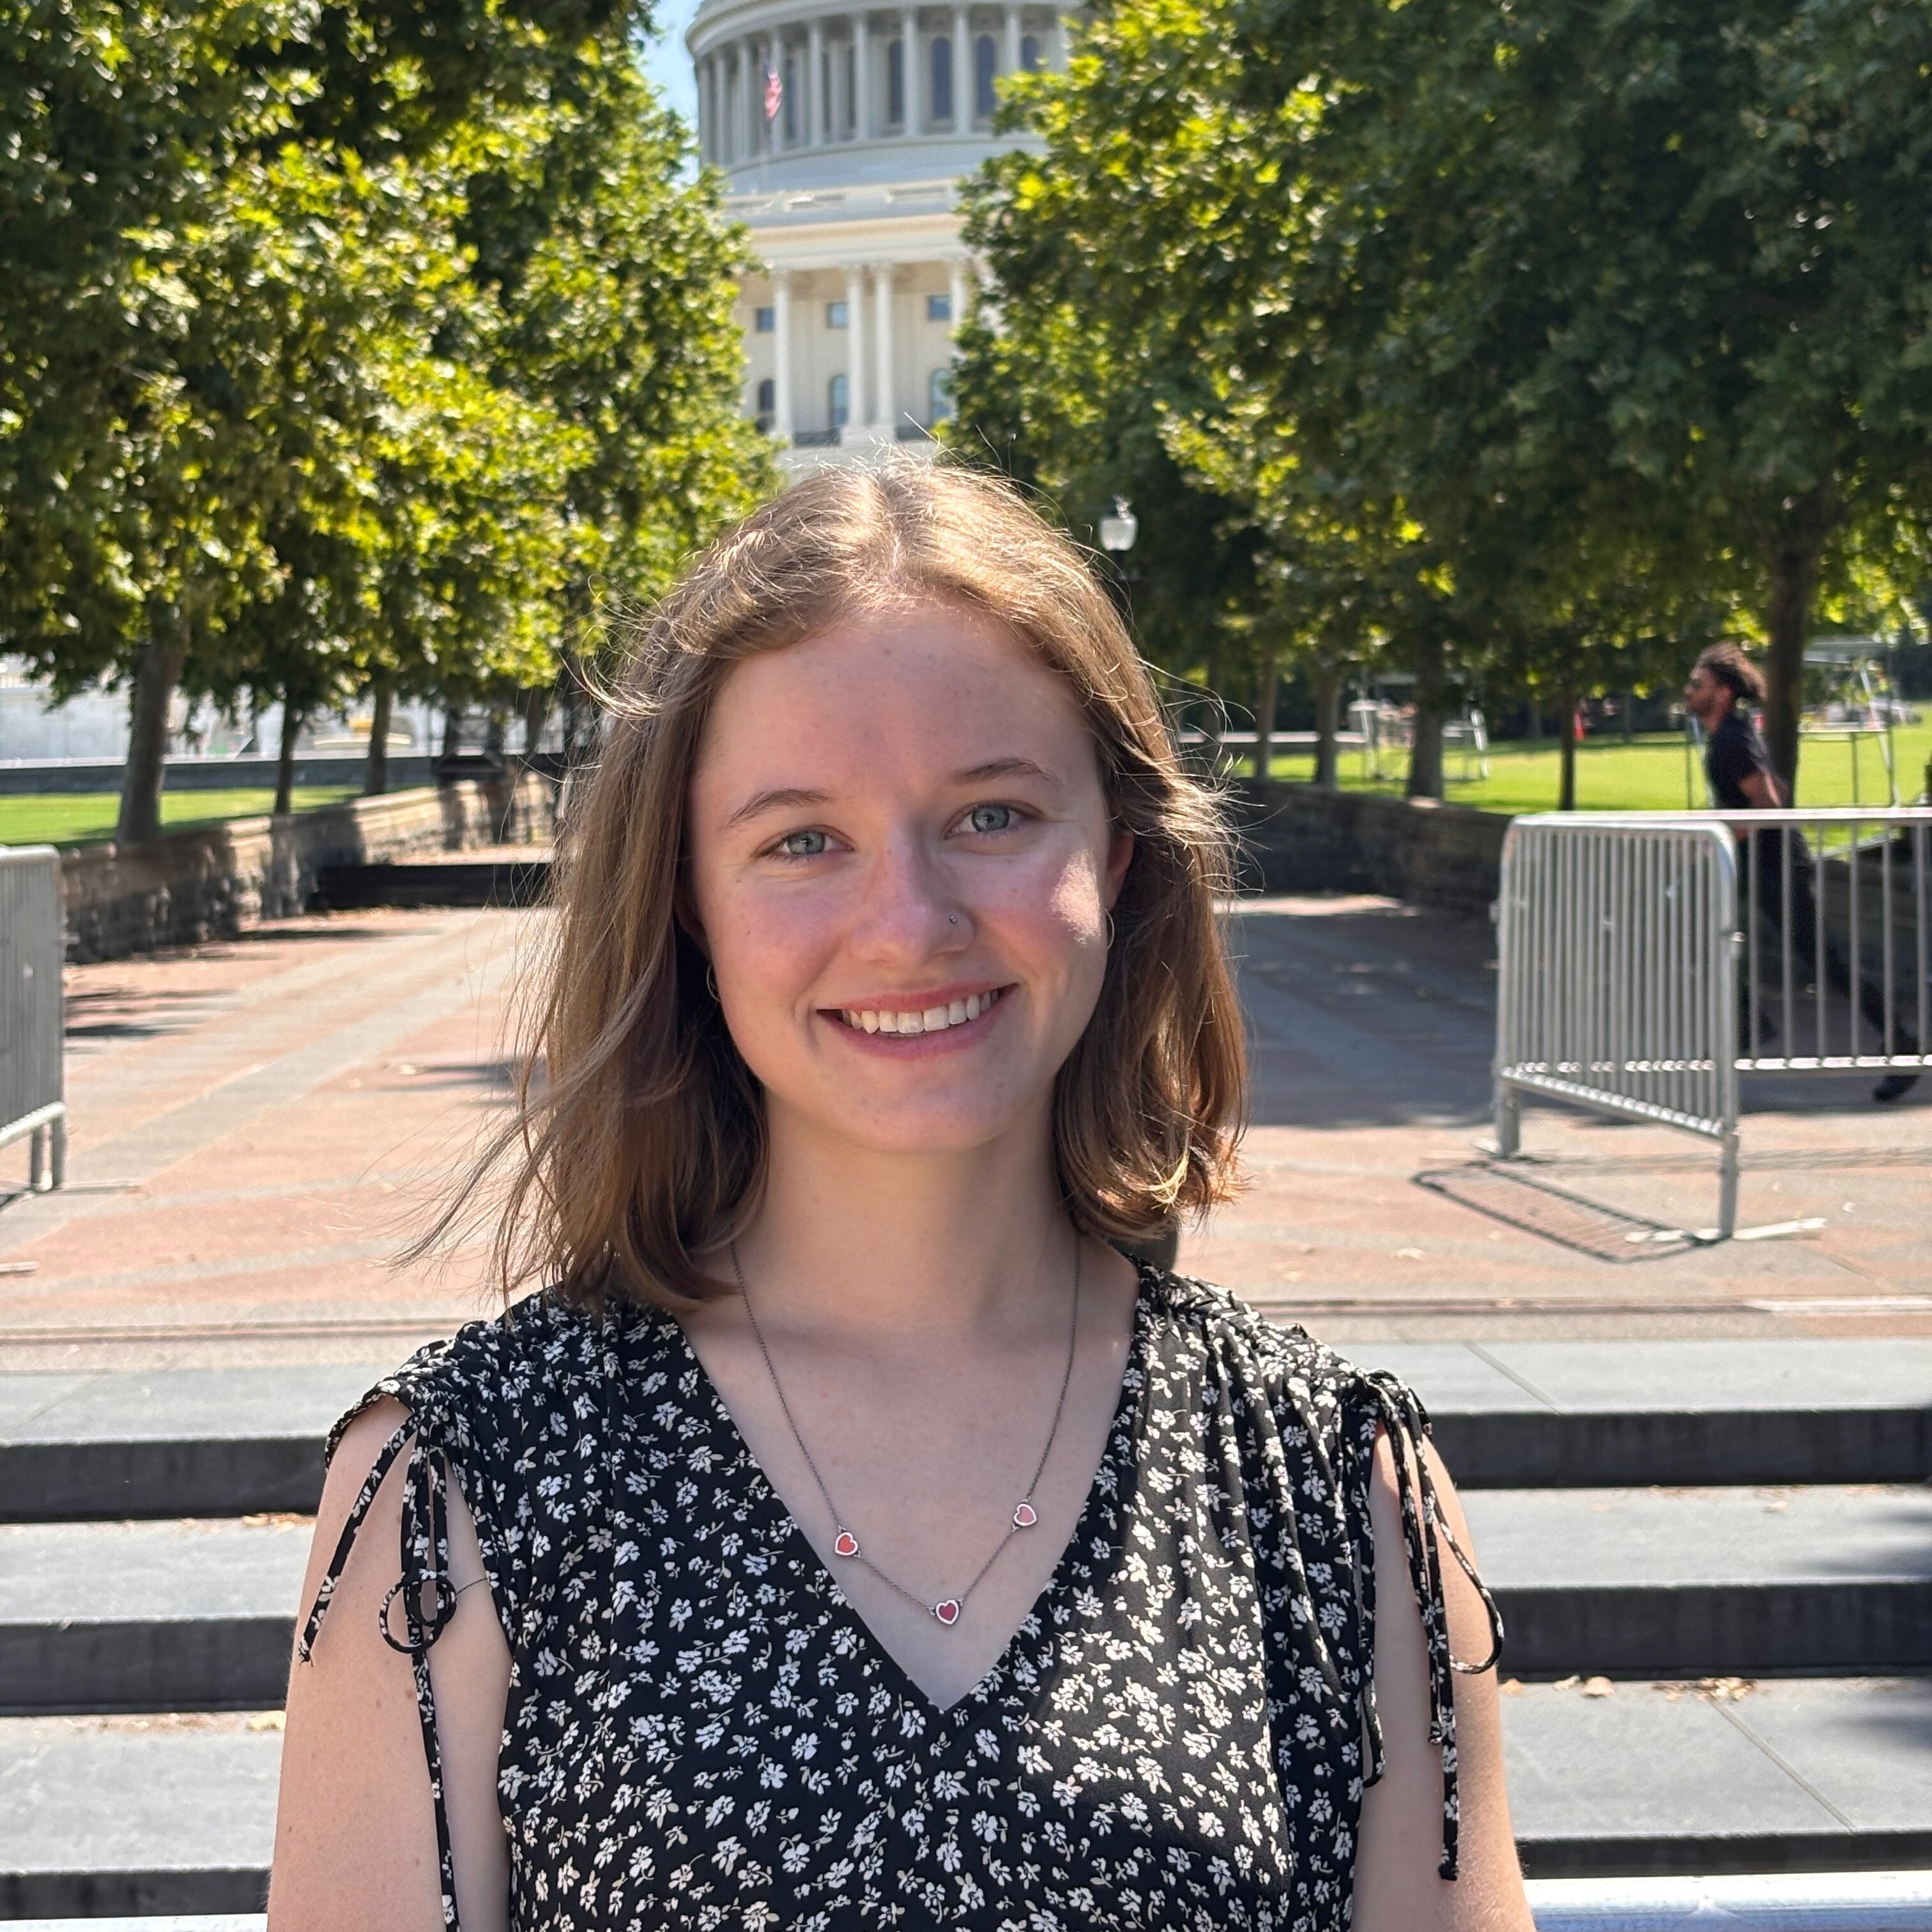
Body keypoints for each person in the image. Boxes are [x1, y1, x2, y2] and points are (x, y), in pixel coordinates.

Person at [270, 461, 1533, 1932]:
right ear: (689, 902)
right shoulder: (460, 1493)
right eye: (802, 840)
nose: (910, 924)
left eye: (992, 815)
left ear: (1119, 856)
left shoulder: (1332, 1492)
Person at [1683, 641, 1917, 1103]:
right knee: (1703, 927)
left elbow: (1769, 803)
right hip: (1757, 861)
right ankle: (1747, 1023)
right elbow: (1779, 788)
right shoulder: (1732, 734)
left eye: (1697, 684)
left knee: (1823, 963)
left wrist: (1721, 835)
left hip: (1777, 866)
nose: (1688, 691)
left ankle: (1902, 1043)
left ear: (1723, 692)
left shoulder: (1731, 739)